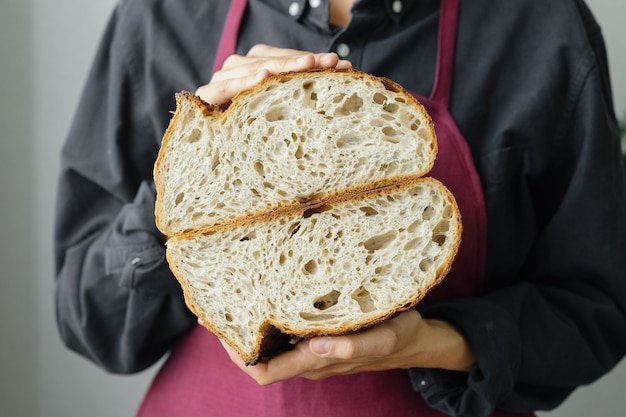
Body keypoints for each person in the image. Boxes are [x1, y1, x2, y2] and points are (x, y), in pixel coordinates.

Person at [54, 0, 626, 416]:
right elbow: (90, 324)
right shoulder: (163, 16)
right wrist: (188, 178)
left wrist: (435, 343)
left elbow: (596, 311)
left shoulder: (542, 25)